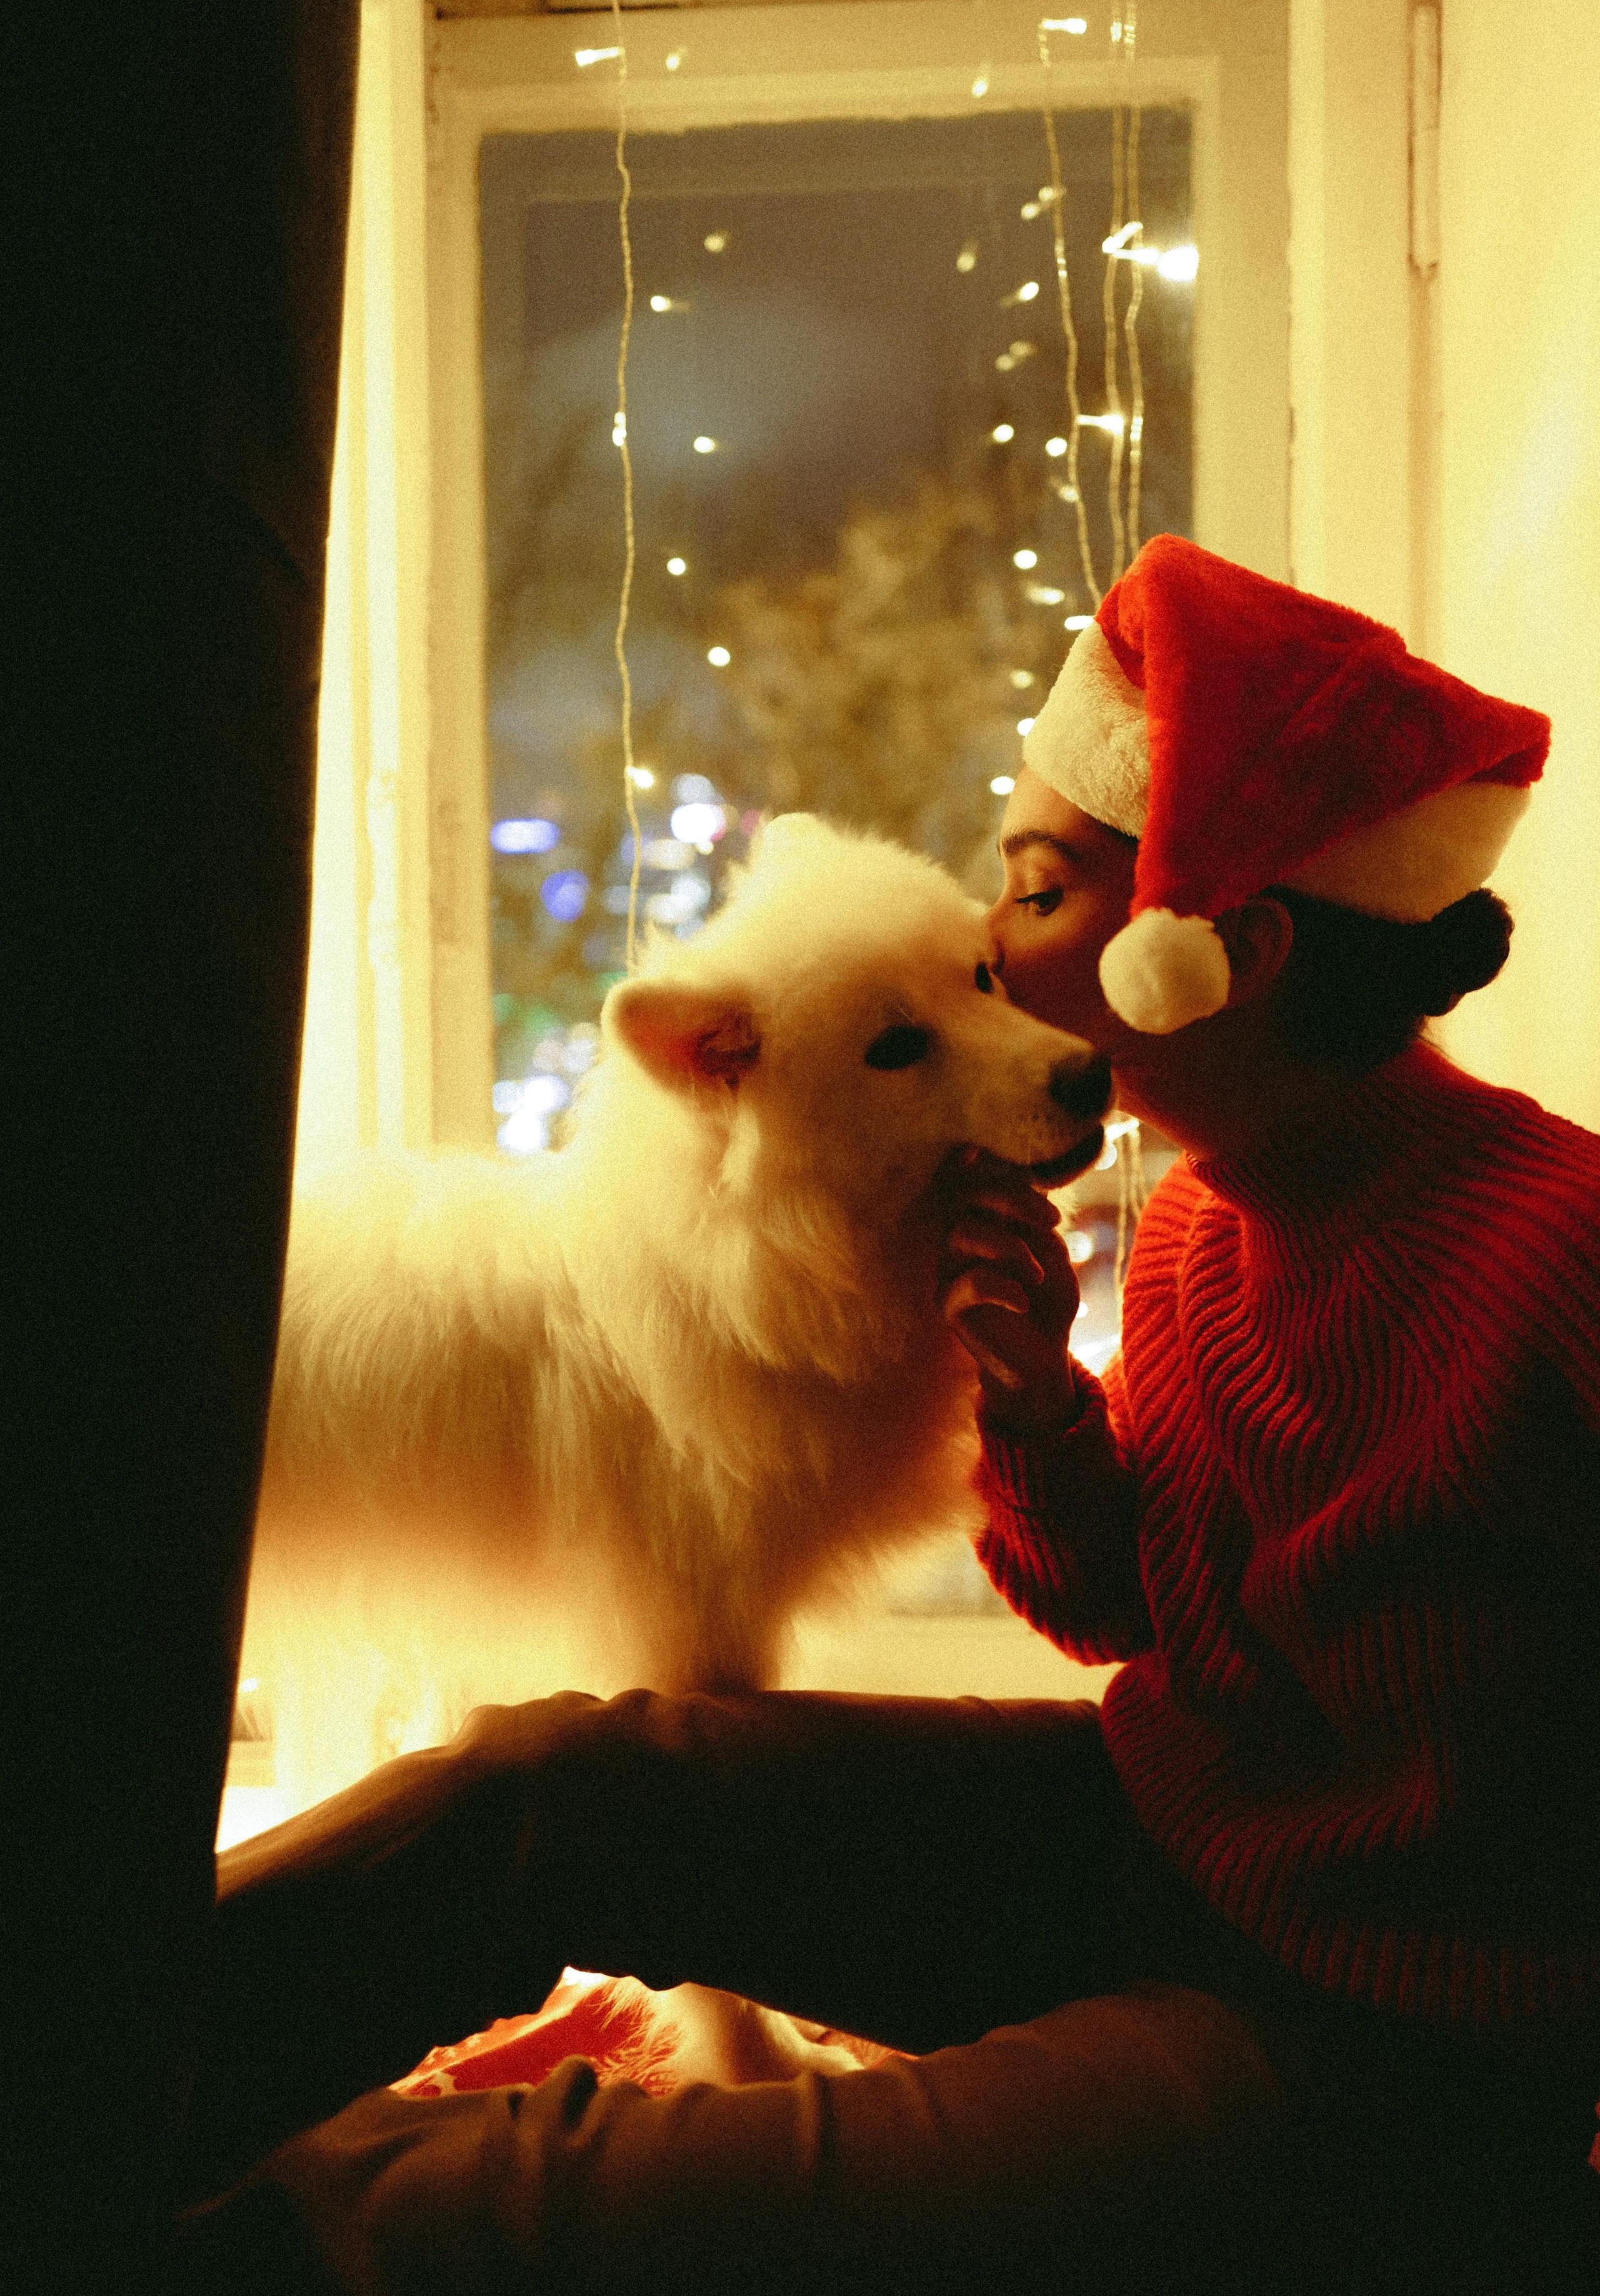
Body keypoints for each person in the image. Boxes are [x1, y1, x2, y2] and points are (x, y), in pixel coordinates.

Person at [171, 538, 1600, 2294]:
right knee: (541, 1788)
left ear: (1210, 949)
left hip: (1382, 2048)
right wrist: (1031, 1402)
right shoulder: (1201, 1233)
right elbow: (1122, 1611)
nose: (988, 938)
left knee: (514, 2203)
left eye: (1037, 890)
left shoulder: (1559, 1251)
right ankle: (72, 2084)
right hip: (1164, 1847)